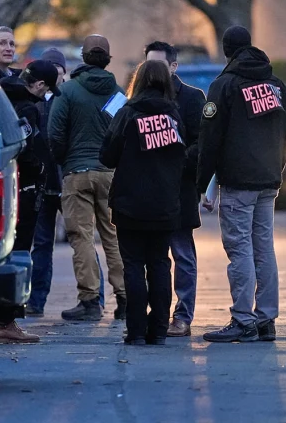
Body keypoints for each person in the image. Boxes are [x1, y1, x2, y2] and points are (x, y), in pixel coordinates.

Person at [197, 26, 286, 344]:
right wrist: (276, 168)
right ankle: (266, 320)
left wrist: (202, 184)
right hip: (268, 181)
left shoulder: (224, 85)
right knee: (263, 249)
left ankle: (243, 320)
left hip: (238, 182)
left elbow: (210, 138)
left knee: (239, 249)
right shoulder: (276, 85)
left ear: (227, 50)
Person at [0, 60, 60, 343]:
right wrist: (40, 169)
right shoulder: (27, 109)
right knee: (19, 253)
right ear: (40, 85)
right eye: (47, 89)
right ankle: (6, 322)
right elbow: (27, 148)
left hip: (0, 185)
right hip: (24, 187)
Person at [99, 60, 186, 345]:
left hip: (130, 203)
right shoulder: (174, 116)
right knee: (160, 264)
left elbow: (107, 156)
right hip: (164, 203)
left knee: (133, 266)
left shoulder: (127, 113)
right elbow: (183, 156)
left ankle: (135, 330)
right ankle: (159, 329)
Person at [48, 34, 127, 322]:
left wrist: (65, 160)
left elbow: (54, 133)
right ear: (108, 60)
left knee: (80, 236)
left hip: (77, 172)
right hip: (110, 175)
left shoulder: (68, 91)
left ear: (83, 57)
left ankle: (90, 300)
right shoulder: (118, 93)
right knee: (114, 236)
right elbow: (124, 133)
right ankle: (125, 298)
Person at [26, 49, 106, 317]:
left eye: (57, 68)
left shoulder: (70, 98)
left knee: (81, 239)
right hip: (44, 183)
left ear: (63, 71)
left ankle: (95, 298)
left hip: (69, 180)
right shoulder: (37, 100)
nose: (53, 72)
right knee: (42, 244)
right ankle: (36, 301)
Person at [144, 41, 206, 338]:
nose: (153, 71)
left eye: (158, 65)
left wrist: (176, 161)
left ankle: (182, 316)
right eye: (149, 65)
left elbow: (201, 142)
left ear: (173, 66)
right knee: (153, 257)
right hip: (149, 190)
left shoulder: (192, 98)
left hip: (179, 187)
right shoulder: (139, 99)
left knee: (182, 254)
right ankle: (156, 314)